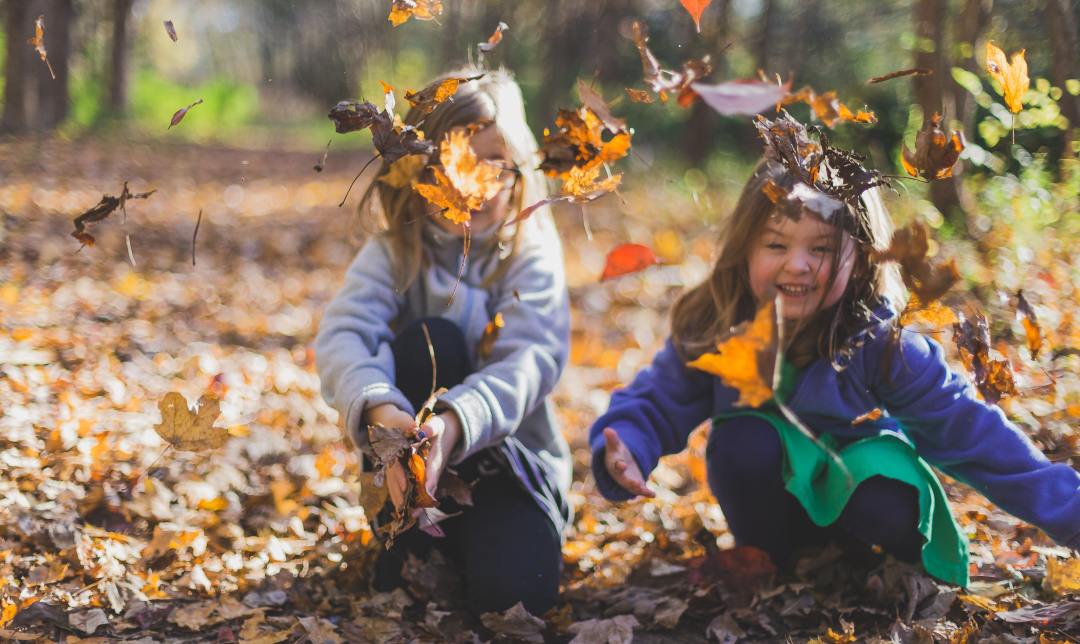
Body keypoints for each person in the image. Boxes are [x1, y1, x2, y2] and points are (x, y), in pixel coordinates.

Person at [589, 113, 1080, 587]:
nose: (797, 265)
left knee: (882, 485)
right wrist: (630, 444)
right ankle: (775, 561)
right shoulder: (719, 323)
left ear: (862, 259)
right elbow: (659, 398)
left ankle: (870, 568)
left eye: (821, 249)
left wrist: (1071, 513)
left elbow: (973, 435)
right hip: (771, 510)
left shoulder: (883, 343)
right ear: (746, 249)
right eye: (776, 245)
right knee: (743, 441)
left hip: (865, 505)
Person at [316, 67, 570, 615]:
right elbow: (344, 334)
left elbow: (531, 359)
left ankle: (492, 544)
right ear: (415, 171)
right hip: (407, 475)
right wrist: (382, 410)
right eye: (450, 162)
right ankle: (409, 535)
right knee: (431, 338)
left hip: (510, 473)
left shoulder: (529, 253)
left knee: (516, 601)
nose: (470, 184)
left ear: (517, 169)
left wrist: (452, 426)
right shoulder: (395, 253)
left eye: (491, 164)